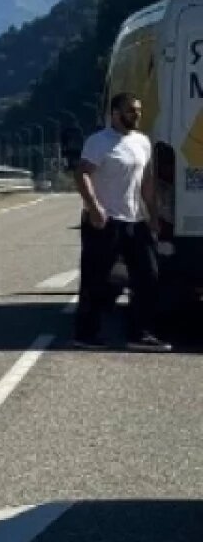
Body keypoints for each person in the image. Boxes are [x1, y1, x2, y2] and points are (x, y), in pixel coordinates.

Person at [72, 91, 171, 352]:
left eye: (138, 110)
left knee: (148, 275)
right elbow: (83, 174)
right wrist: (94, 208)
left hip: (135, 219)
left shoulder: (142, 142)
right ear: (115, 113)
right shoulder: (99, 141)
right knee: (97, 279)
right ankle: (86, 334)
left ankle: (140, 333)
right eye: (130, 110)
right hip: (105, 220)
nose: (136, 115)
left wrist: (153, 215)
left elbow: (146, 181)